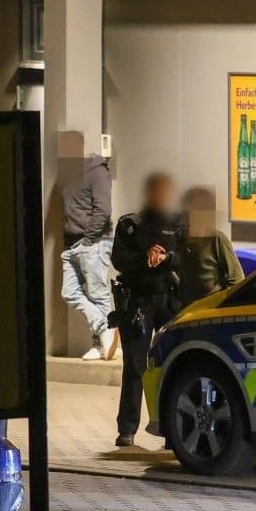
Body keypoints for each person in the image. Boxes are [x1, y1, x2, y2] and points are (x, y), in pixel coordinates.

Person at [110, 171, 186, 447]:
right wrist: (145, 258)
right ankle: (127, 429)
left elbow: (189, 258)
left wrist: (167, 258)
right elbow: (119, 259)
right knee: (136, 367)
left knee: (173, 366)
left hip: (170, 301)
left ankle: (172, 431)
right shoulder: (131, 224)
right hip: (139, 302)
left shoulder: (178, 223)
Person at [58, 146, 118, 361]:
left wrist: (89, 238)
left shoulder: (97, 172)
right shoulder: (67, 178)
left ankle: (101, 345)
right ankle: (105, 329)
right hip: (72, 245)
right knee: (69, 292)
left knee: (97, 293)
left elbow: (103, 208)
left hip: (94, 241)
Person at [177, 187, 244, 304]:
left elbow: (237, 279)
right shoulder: (181, 238)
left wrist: (220, 304)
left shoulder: (217, 238)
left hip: (210, 307)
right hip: (187, 308)